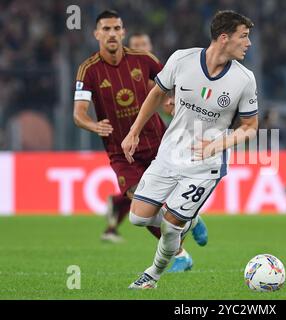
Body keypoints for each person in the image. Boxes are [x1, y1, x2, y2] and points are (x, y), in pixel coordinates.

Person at [122, 10, 258, 289]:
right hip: (170, 153)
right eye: (243, 36)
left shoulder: (245, 80)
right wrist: (133, 131)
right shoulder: (181, 60)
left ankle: (153, 275)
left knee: (171, 226)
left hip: (205, 164)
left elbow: (250, 127)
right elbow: (157, 94)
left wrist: (219, 144)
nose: (249, 43)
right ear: (223, 38)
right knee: (137, 217)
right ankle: (192, 220)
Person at [73, 10, 207, 272]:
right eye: (106, 29)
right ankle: (180, 252)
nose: (112, 34)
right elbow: (78, 114)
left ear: (123, 32)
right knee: (141, 207)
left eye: (116, 28)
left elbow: (173, 84)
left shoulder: (144, 60)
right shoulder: (87, 70)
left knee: (168, 197)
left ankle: (190, 219)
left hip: (158, 141)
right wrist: (93, 125)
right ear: (96, 34)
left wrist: (174, 101)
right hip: (121, 151)